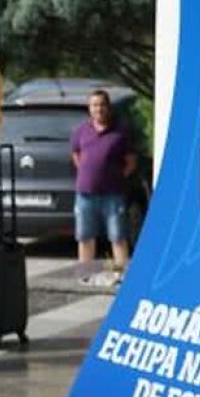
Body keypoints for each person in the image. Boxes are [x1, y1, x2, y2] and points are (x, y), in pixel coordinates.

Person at [70, 89, 138, 286]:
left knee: (117, 236)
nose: (98, 109)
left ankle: (121, 274)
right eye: (94, 105)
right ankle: (85, 274)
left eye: (102, 105)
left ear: (108, 107)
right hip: (85, 194)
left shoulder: (120, 132)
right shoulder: (81, 131)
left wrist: (114, 177)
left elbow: (131, 162)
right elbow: (76, 156)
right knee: (85, 236)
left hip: (113, 194)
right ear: (89, 109)